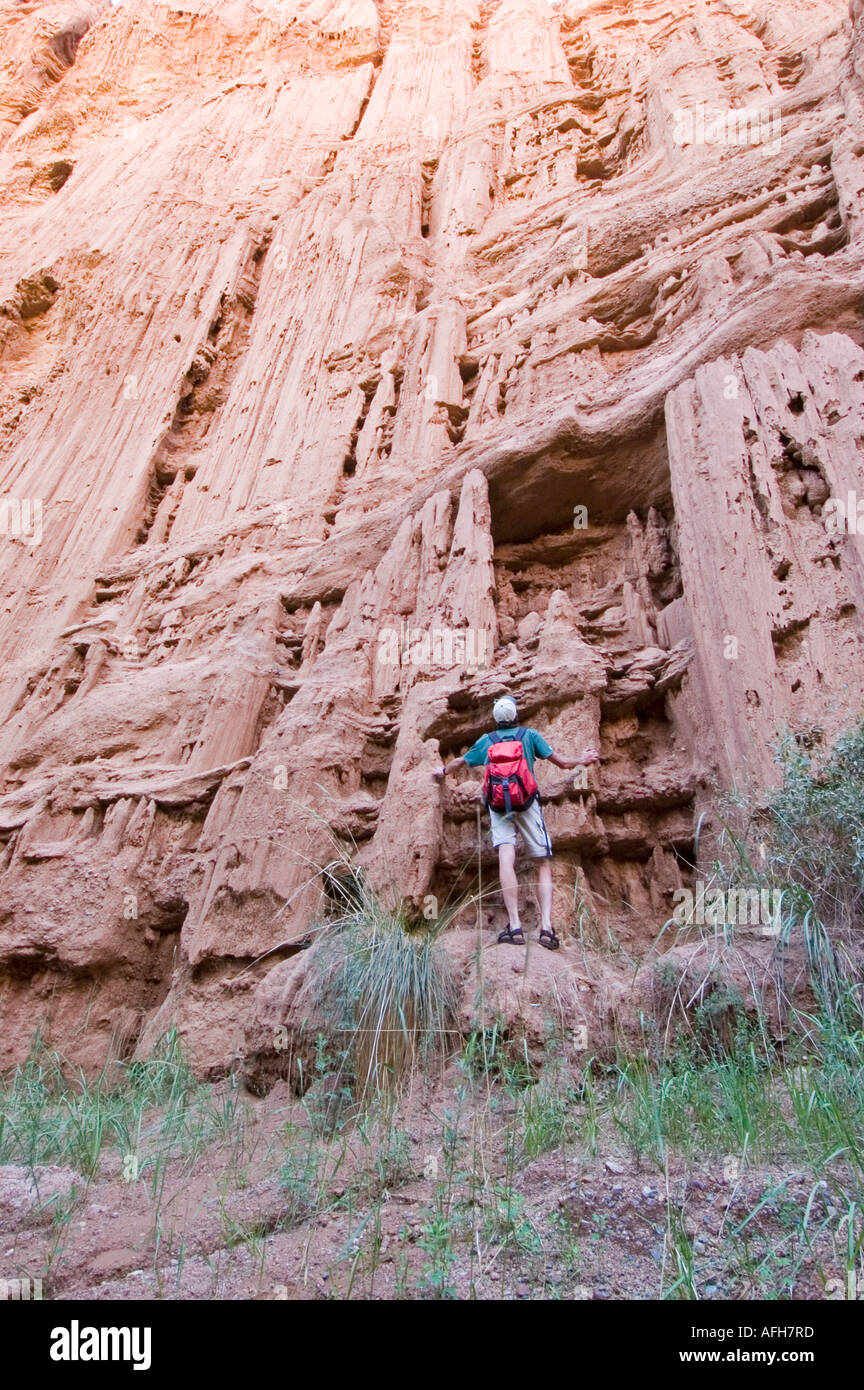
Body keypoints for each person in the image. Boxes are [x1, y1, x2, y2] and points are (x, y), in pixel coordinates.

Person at [433, 695, 600, 950]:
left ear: (496, 719)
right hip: (527, 803)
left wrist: (441, 772)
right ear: (515, 715)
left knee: (506, 858)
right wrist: (583, 759)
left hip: (498, 806)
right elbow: (563, 763)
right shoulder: (530, 736)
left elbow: (460, 762)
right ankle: (545, 928)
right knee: (542, 862)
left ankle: (515, 926)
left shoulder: (486, 741)